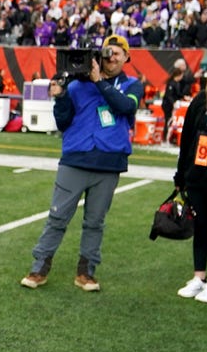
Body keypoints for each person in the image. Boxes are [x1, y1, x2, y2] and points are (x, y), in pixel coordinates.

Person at [20, 34, 141, 292]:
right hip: (76, 159)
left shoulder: (132, 85)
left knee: (95, 221)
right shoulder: (76, 85)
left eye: (117, 53)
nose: (111, 57)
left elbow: (124, 108)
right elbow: (63, 122)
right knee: (57, 216)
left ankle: (86, 271)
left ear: (126, 57)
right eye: (107, 52)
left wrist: (98, 81)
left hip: (108, 163)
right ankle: (40, 265)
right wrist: (60, 96)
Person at [173, 50, 207, 303]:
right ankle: (198, 277)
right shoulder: (200, 100)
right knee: (201, 226)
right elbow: (186, 140)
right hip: (197, 174)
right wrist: (181, 173)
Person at [162, 58, 193, 144]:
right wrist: (173, 102)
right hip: (167, 105)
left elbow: (178, 94)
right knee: (168, 120)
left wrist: (184, 97)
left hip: (173, 105)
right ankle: (165, 138)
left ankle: (168, 138)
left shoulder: (177, 84)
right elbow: (169, 95)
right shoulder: (171, 83)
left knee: (171, 120)